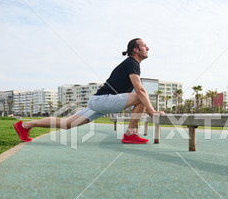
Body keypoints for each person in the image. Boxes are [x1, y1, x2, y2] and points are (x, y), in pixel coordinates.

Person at [13, 38, 165, 144]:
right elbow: (140, 90)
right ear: (135, 50)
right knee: (140, 96)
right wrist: (152, 111)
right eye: (144, 45)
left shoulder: (130, 63)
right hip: (103, 100)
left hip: (97, 101)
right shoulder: (132, 63)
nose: (148, 48)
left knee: (67, 124)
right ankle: (130, 135)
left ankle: (25, 126)